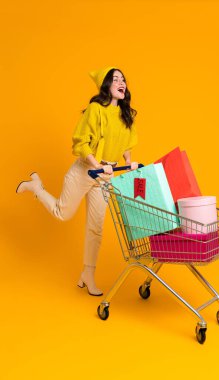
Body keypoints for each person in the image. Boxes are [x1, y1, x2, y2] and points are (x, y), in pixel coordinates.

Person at [16, 66, 138, 296]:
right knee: (63, 213)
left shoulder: (125, 114)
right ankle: (36, 187)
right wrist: (96, 164)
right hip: (85, 170)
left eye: (123, 79)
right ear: (106, 86)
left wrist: (129, 161)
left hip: (105, 176)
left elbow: (128, 141)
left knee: (96, 228)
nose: (122, 83)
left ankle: (88, 274)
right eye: (116, 79)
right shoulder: (95, 110)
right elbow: (81, 142)